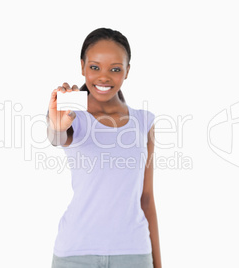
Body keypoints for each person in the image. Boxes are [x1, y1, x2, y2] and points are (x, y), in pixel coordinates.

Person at [47, 27, 162, 268]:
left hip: (134, 254)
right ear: (82, 67)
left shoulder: (144, 122)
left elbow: (147, 199)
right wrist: (57, 125)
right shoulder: (72, 114)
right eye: (95, 67)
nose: (104, 77)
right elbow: (57, 136)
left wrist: (157, 264)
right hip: (75, 254)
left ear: (127, 71)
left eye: (115, 69)